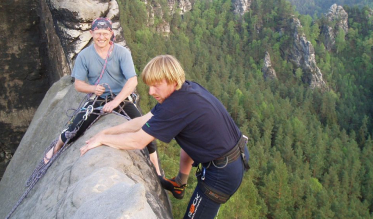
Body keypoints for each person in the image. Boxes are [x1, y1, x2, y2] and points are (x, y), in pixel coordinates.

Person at [80, 55, 249, 219]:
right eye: (149, 85)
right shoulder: (186, 89)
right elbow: (142, 121)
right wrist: (106, 132)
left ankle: (180, 184)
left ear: (173, 81)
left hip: (222, 172)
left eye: (156, 85)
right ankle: (180, 183)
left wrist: (102, 140)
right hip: (235, 154)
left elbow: (138, 141)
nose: (151, 91)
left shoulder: (175, 106)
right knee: (188, 135)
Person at [45, 17, 161, 176]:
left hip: (121, 98)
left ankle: (155, 165)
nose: (101, 37)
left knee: (146, 127)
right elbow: (78, 84)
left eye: (105, 33)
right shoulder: (84, 56)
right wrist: (92, 88)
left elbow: (132, 81)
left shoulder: (121, 53)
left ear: (111, 34)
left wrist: (115, 102)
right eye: (98, 33)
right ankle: (57, 146)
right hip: (98, 99)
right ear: (91, 33)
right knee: (76, 126)